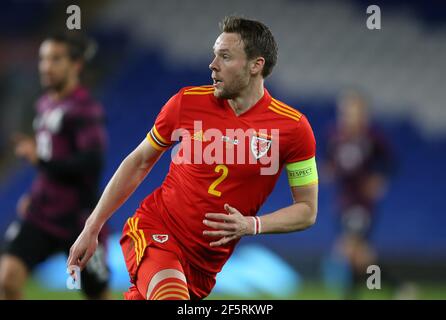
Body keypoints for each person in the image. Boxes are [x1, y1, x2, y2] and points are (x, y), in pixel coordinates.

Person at [68, 16, 319, 300]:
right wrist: (93, 226)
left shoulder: (294, 129)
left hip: (205, 266)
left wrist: (252, 225)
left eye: (225, 57)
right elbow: (139, 161)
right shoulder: (186, 103)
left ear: (255, 65)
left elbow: (307, 210)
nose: (213, 65)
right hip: (157, 230)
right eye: (214, 55)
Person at [0, 32, 110, 300]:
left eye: (56, 59)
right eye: (43, 59)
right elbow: (51, 167)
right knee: (7, 280)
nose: (46, 66)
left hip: (78, 222)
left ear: (76, 65)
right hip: (42, 215)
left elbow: (91, 163)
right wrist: (36, 194)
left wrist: (41, 160)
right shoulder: (45, 104)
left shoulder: (85, 110)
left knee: (97, 294)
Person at [324, 90, 393, 298]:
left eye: (352, 111)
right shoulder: (334, 136)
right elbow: (331, 162)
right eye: (344, 111)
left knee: (347, 248)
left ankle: (354, 293)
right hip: (343, 201)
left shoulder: (372, 138)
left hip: (362, 203)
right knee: (360, 255)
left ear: (363, 113)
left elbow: (389, 163)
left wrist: (379, 180)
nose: (347, 115)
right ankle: (394, 288)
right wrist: (328, 171)